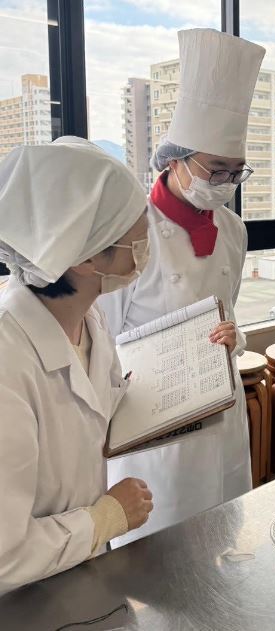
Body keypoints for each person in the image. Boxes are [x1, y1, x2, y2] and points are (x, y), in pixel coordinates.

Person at [98, 29, 265, 545]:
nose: (225, 183)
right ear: (175, 159)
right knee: (160, 554)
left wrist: (236, 338)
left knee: (224, 537)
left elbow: (229, 313)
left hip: (222, 409)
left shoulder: (233, 230)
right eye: (216, 170)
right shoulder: (130, 231)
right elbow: (102, 342)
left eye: (236, 172)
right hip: (154, 424)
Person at [0, 137, 154, 593]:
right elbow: (5, 554)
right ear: (86, 258)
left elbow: (102, 402)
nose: (147, 242)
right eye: (137, 233)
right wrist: (106, 517)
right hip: (28, 600)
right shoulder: (8, 362)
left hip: (84, 571)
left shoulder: (88, 315)